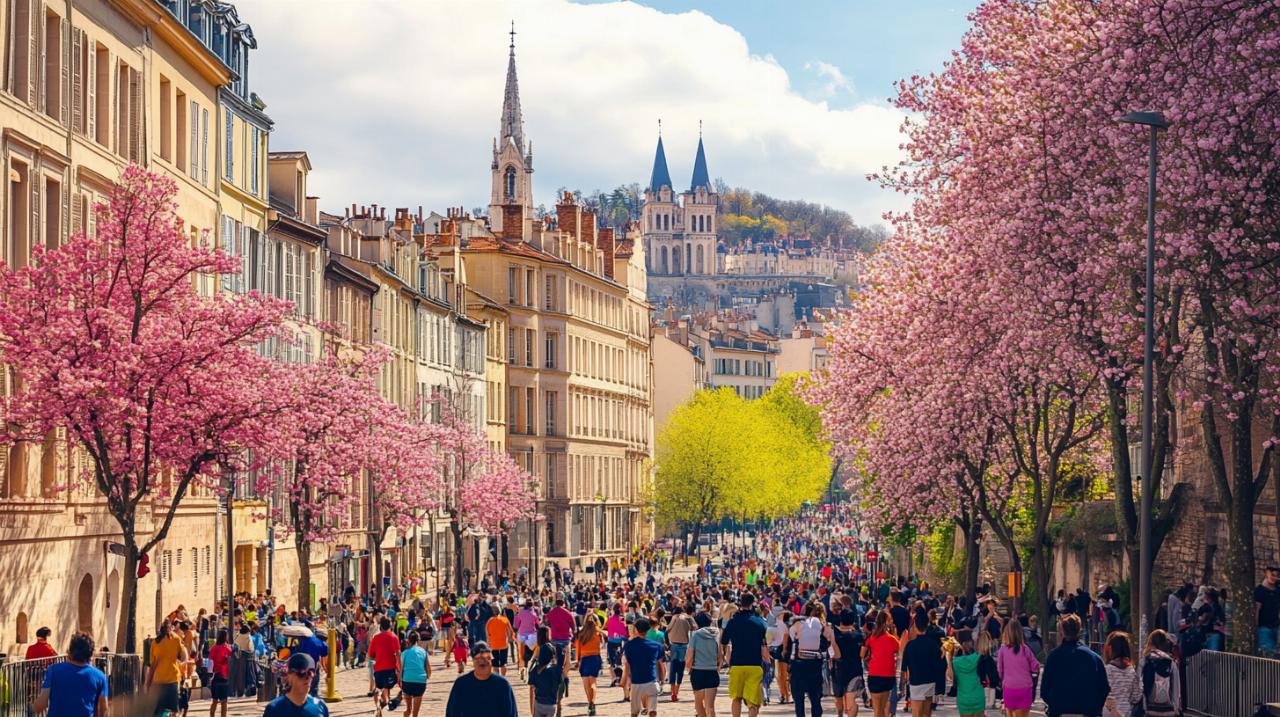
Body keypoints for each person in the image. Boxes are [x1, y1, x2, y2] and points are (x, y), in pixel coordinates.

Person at [1040, 614, 1109, 717]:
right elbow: (1104, 688)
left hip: (1060, 711)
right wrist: (1094, 709)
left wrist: (1055, 705)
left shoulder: (1053, 658)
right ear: (1079, 630)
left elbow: (1044, 690)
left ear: (1062, 632)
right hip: (1087, 711)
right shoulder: (1094, 658)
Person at [32, 632, 109, 717]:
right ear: (91, 654)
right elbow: (103, 709)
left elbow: (41, 704)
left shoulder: (54, 670)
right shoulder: (100, 677)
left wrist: (32, 708)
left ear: (70, 651)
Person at [720, 593, 770, 717]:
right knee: (752, 702)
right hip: (754, 665)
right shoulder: (760, 623)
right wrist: (768, 661)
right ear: (753, 603)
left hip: (737, 664)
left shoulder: (733, 622)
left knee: (736, 698)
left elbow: (724, 641)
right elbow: (765, 645)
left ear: (740, 603)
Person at [444, 641, 519, 717]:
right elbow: (452, 712)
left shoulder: (502, 685)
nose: (482, 661)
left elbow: (511, 713)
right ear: (473, 661)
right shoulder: (461, 684)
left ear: (491, 660)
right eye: (478, 658)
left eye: (487, 658)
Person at [788, 601, 834, 717]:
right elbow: (828, 641)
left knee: (799, 699)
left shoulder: (797, 624)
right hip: (815, 664)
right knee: (815, 698)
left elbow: (792, 639)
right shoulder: (822, 625)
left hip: (799, 664)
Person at [901, 610, 945, 717]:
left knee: (916, 713)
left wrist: (903, 684)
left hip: (916, 682)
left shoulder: (910, 645)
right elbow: (939, 665)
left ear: (915, 627)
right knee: (927, 713)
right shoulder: (933, 645)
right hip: (930, 681)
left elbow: (903, 667)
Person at [996, 614, 1040, 717]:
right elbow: (1036, 666)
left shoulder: (1002, 650)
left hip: (1009, 688)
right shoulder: (1025, 649)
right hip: (1025, 688)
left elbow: (1000, 670)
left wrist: (1004, 679)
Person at [262, 653, 329, 717]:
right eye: (301, 673)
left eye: (310, 673)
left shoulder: (320, 706)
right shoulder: (274, 709)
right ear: (290, 675)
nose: (307, 678)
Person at [623, 618, 665, 717]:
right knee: (653, 711)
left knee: (634, 712)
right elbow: (660, 665)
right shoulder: (657, 646)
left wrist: (624, 681)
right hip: (651, 681)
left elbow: (627, 665)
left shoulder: (629, 645)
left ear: (636, 629)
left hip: (636, 682)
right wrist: (662, 680)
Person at [147, 621, 188, 716]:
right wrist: (183, 662)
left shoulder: (155, 643)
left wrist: (148, 684)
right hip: (172, 679)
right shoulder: (176, 639)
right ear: (170, 628)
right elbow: (184, 653)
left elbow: (152, 666)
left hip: (158, 681)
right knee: (173, 710)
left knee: (159, 711)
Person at [832, 608, 867, 717]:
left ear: (840, 620)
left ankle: (840, 714)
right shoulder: (859, 636)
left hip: (839, 670)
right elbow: (863, 654)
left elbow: (833, 654)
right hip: (855, 671)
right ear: (853, 621)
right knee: (852, 700)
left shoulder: (836, 637)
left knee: (838, 697)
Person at [865, 611, 900, 717]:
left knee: (877, 708)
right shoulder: (892, 639)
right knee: (883, 706)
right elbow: (898, 650)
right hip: (888, 675)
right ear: (886, 622)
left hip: (875, 674)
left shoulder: (871, 638)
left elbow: (863, 654)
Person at [687, 611, 722, 717]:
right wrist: (718, 667)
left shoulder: (695, 635)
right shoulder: (717, 634)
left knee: (698, 704)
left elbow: (689, 655)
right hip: (712, 671)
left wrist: (688, 667)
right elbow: (720, 655)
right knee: (710, 706)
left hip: (698, 671)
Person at [1138, 631, 1180, 717]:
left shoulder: (1145, 661)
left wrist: (1143, 707)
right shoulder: (1170, 662)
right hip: (1169, 710)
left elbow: (1138, 686)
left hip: (1149, 710)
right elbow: (1176, 688)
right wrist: (1175, 709)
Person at [1101, 632, 1142, 717]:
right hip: (1127, 713)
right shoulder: (1131, 671)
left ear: (1110, 649)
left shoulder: (1106, 670)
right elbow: (1136, 697)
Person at [947, 630, 985, 717]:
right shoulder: (978, 658)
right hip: (978, 697)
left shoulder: (955, 662)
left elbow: (950, 677)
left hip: (963, 699)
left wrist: (949, 658)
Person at [366, 617, 401, 710]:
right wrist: (400, 669)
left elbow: (370, 655)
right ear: (390, 625)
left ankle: (378, 704)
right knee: (387, 687)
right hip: (390, 668)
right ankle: (385, 700)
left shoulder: (376, 638)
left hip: (378, 668)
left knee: (378, 687)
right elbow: (398, 654)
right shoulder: (394, 637)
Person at [574, 614, 605, 716]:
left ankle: (589, 703)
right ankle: (593, 702)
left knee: (586, 684)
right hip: (595, 658)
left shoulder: (581, 633)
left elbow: (577, 647)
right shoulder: (597, 632)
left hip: (584, 659)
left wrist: (577, 660)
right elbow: (606, 634)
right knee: (593, 683)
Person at [667, 605, 695, 703]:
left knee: (673, 668)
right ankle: (677, 692)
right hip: (683, 645)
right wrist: (689, 617)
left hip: (674, 645)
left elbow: (668, 629)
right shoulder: (687, 618)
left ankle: (672, 692)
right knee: (680, 669)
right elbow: (695, 627)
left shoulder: (673, 619)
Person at [528, 643, 564, 717]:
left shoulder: (535, 669)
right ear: (552, 655)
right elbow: (560, 687)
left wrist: (532, 709)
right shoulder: (556, 669)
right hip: (551, 704)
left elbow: (532, 689)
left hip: (538, 704)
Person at [400, 632, 431, 717]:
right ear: (418, 640)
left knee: (408, 709)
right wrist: (427, 676)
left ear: (408, 641)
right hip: (420, 681)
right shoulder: (423, 652)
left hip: (407, 681)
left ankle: (407, 712)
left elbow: (401, 669)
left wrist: (400, 681)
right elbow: (428, 668)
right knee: (415, 714)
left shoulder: (405, 653)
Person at [1255, 564, 1280, 658]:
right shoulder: (1259, 590)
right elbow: (1257, 609)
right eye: (1273, 574)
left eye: (1277, 575)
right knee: (1268, 654)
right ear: (1266, 573)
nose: (1275, 577)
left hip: (1276, 626)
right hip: (1263, 627)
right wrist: (1256, 627)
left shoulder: (1278, 590)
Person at [484, 605, 515, 676]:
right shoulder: (505, 619)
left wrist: (488, 642)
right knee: (503, 664)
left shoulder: (490, 621)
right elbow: (510, 632)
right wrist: (510, 638)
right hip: (504, 645)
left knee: (495, 665)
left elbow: (487, 633)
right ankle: (503, 677)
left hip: (493, 645)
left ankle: (498, 679)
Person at [208, 629, 233, 717]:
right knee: (224, 701)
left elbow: (210, 662)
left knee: (214, 700)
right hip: (224, 676)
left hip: (215, 676)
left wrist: (209, 675)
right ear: (225, 637)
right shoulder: (228, 648)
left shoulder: (214, 648)